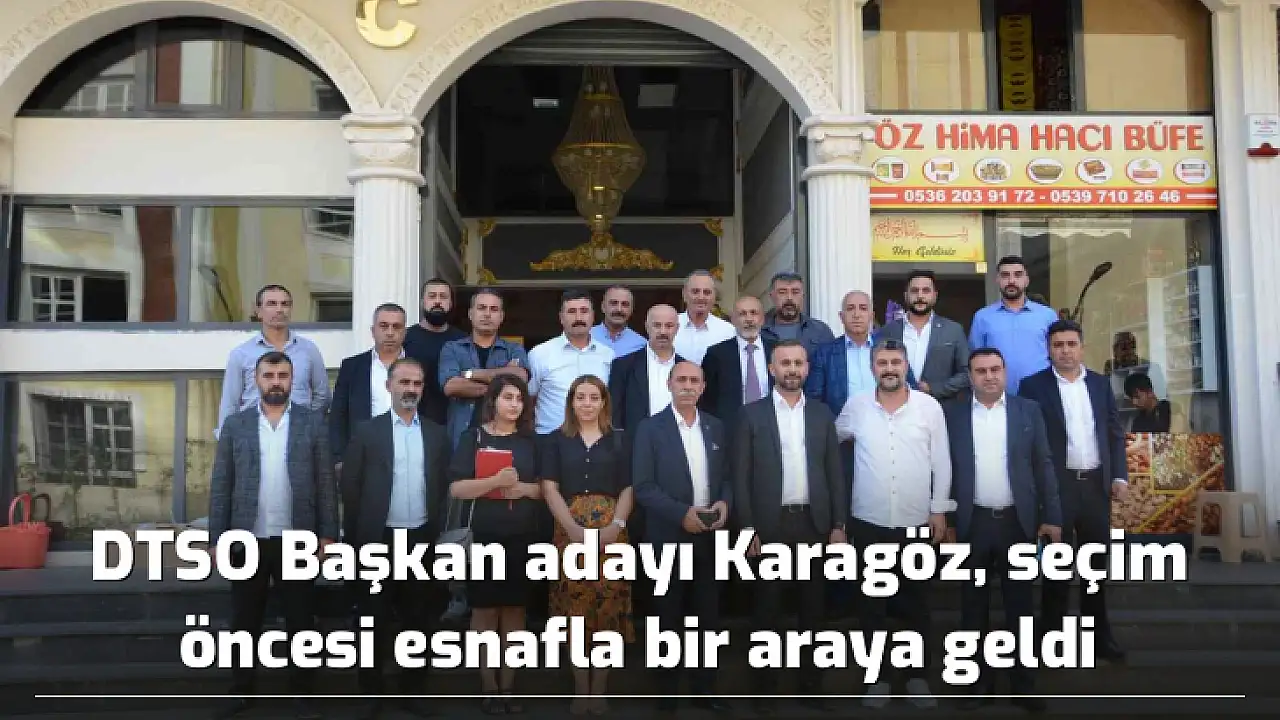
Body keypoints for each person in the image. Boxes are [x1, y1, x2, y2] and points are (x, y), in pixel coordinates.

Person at [207, 351, 337, 720]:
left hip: (298, 539)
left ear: (292, 380)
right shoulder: (236, 425)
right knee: (244, 620)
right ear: (256, 380)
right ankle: (241, 691)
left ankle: (303, 695)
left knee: (300, 620)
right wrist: (216, 538)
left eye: (283, 375)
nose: (276, 382)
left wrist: (328, 534)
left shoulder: (313, 423)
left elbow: (325, 483)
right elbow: (221, 484)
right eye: (269, 375)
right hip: (247, 538)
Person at [942, 348, 1061, 712]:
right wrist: (947, 520)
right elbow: (942, 469)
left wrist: (1052, 516)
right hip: (972, 524)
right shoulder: (953, 415)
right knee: (972, 608)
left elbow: (1043, 464)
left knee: (1021, 609)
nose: (989, 376)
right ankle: (978, 685)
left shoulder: (1028, 411)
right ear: (970, 376)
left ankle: (1024, 686)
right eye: (981, 371)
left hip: (1017, 524)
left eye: (995, 369)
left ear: (1005, 372)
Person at [835, 338, 951, 709]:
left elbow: (942, 461)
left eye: (895, 362)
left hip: (916, 520)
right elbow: (830, 442)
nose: (889, 369)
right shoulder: (855, 407)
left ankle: (917, 677)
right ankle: (878, 678)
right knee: (872, 606)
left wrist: (939, 510)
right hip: (868, 521)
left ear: (906, 366)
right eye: (882, 362)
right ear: (873, 368)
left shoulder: (929, 407)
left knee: (917, 603)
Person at [732, 340, 845, 713]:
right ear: (771, 369)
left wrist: (838, 525)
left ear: (807, 369)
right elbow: (740, 478)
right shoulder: (750, 415)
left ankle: (811, 687)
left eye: (798, 363)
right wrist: (747, 529)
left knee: (813, 611)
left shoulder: (822, 414)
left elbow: (835, 474)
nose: (792, 369)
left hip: (814, 523)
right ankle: (764, 690)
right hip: (769, 526)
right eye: (785, 363)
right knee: (767, 610)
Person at [339, 358, 450, 720]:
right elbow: (351, 488)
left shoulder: (436, 434)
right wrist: (356, 543)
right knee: (371, 619)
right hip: (377, 540)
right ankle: (370, 693)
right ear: (389, 386)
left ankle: (411, 691)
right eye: (404, 382)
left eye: (417, 383)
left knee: (418, 619)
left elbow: (443, 488)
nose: (410, 389)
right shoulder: (366, 432)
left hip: (420, 539)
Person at [1018, 320, 1128, 663]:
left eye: (1071, 344)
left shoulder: (1099, 384)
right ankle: (1051, 640)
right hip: (1057, 488)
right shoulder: (1033, 386)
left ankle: (1099, 638)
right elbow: (1027, 442)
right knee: (1056, 568)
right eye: (1058, 345)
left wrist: (1119, 476)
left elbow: (1113, 433)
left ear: (1082, 347)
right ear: (1049, 349)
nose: (1065, 351)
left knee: (1095, 568)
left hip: (1095, 485)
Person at [631, 361, 732, 716]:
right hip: (667, 537)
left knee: (708, 618)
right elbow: (643, 486)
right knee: (667, 618)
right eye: (681, 380)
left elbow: (727, 478)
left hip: (710, 538)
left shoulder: (716, 427)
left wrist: (725, 503)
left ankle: (705, 688)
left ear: (703, 387)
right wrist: (681, 514)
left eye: (694, 381)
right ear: (669, 384)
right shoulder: (649, 428)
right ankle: (667, 692)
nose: (688, 386)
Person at [447, 376, 543, 713]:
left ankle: (508, 686)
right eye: (508, 397)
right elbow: (457, 488)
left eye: (519, 398)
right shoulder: (473, 437)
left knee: (515, 611)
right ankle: (488, 687)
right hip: (484, 538)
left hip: (522, 537)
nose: (514, 404)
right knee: (485, 612)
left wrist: (524, 489)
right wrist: (494, 482)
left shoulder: (531, 441)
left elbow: (546, 488)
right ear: (493, 401)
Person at [541, 376, 635, 715]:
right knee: (575, 611)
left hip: (611, 532)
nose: (587, 403)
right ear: (571, 402)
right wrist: (571, 528)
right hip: (569, 531)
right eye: (580, 397)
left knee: (608, 608)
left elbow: (628, 488)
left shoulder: (620, 440)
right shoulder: (556, 440)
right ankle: (581, 688)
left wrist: (617, 525)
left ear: (603, 402)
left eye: (594, 397)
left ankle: (600, 689)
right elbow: (549, 488)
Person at [216, 284, 329, 438]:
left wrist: (307, 424)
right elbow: (230, 403)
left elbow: (322, 396)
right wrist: (226, 440)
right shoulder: (241, 354)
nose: (279, 309)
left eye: (285, 304)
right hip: (253, 436)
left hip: (299, 437)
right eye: (272, 304)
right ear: (258, 311)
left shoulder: (308, 350)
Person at [438, 288, 529, 448]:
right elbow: (451, 386)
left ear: (501, 316)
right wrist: (501, 384)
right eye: (481, 308)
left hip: (504, 438)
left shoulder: (513, 349)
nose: (487, 314)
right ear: (470, 314)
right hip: (461, 438)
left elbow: (521, 376)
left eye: (493, 309)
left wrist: (470, 374)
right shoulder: (452, 348)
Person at [330, 303, 408, 472]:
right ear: (373, 331)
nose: (390, 332)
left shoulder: (418, 366)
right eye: (383, 326)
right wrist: (339, 458)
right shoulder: (352, 366)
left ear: (405, 332)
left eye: (396, 327)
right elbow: (338, 415)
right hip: (363, 454)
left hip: (409, 451)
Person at [528, 289, 615, 435]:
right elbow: (528, 399)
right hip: (549, 439)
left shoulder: (608, 355)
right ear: (561, 318)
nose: (578, 317)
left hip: (595, 440)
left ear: (593, 316)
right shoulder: (540, 354)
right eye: (572, 311)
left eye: (584, 311)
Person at [968, 256, 1059, 393]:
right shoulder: (983, 317)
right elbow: (976, 360)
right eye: (1005, 275)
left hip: (1041, 393)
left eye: (1018, 275)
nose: (1011, 281)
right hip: (997, 395)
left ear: (1027, 280)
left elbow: (1056, 355)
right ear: (997, 280)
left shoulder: (1048, 315)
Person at [877, 270, 970, 400]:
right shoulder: (888, 331)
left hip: (940, 406)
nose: (920, 296)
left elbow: (966, 373)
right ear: (906, 295)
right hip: (896, 405)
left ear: (935, 295)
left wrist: (933, 388)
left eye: (926, 291)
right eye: (914, 291)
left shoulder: (953, 330)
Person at [699, 295, 775, 440]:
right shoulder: (716, 354)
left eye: (754, 313)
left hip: (771, 430)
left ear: (762, 319)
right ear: (733, 320)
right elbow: (706, 399)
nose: (749, 319)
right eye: (742, 314)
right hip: (731, 432)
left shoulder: (776, 350)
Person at [608, 303, 684, 432]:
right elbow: (614, 413)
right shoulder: (623, 366)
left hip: (677, 439)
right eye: (657, 325)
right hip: (635, 441)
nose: (663, 331)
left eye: (669, 326)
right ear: (647, 327)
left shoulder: (686, 368)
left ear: (677, 329)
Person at [404, 278, 467, 426]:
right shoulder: (406, 338)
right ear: (422, 302)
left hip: (452, 423)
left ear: (450, 303)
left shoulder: (463, 341)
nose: (437, 301)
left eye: (443, 297)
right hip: (413, 421)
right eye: (432, 296)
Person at [759, 270, 834, 358]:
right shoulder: (759, 330)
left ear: (803, 296)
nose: (789, 298)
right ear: (772, 296)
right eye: (782, 292)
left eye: (795, 292)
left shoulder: (820, 331)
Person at [673, 269, 736, 365]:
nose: (701, 297)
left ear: (714, 296)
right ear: (684, 294)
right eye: (695, 292)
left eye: (707, 292)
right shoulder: (669, 326)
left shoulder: (728, 332)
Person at [590, 284, 647, 357]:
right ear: (603, 307)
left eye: (625, 304)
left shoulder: (641, 345)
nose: (619, 309)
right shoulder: (586, 337)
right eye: (614, 303)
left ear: (631, 310)